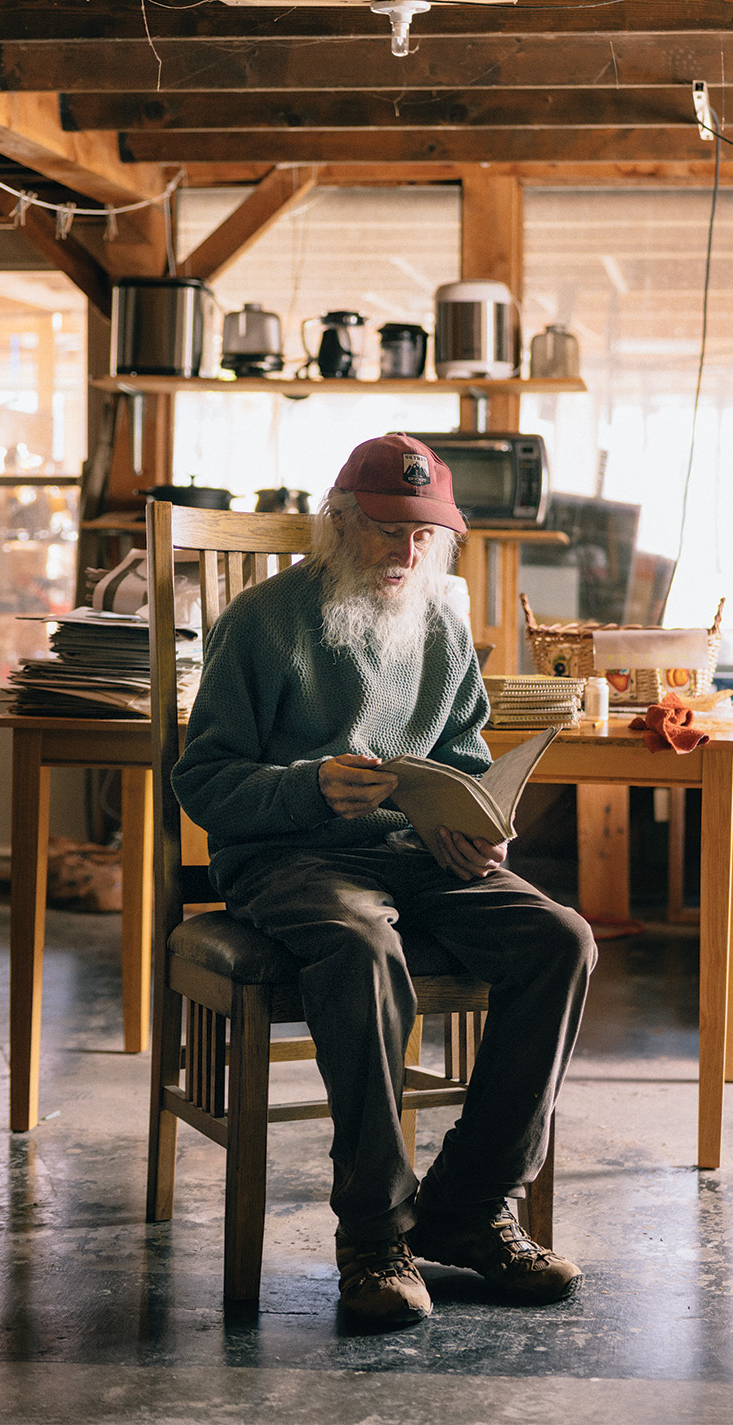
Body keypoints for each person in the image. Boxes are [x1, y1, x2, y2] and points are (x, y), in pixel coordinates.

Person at [171, 433, 597, 1328]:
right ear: (337, 524)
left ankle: (471, 1207)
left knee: (561, 940)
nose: (407, 554)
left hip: (413, 852)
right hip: (291, 855)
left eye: (424, 537)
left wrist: (472, 828)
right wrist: (310, 787)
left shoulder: (440, 619)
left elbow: (463, 758)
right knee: (363, 950)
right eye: (387, 531)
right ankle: (374, 1235)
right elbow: (203, 783)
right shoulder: (258, 622)